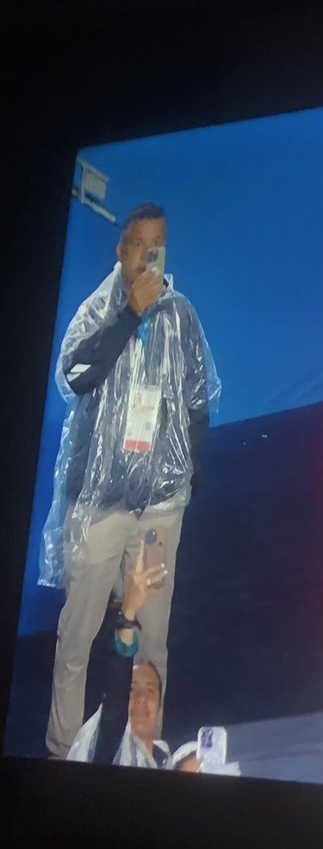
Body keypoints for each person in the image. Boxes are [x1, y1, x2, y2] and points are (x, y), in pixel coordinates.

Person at [44, 203, 221, 759]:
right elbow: (74, 376)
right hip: (99, 506)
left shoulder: (182, 315)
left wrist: (189, 470)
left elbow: (197, 397)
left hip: (160, 506)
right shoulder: (98, 310)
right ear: (120, 250)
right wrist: (127, 314)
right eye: (137, 243)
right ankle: (63, 750)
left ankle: (143, 747)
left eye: (157, 244)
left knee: (152, 633)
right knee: (78, 633)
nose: (146, 253)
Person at [66, 546, 171, 768]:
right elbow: (115, 705)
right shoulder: (107, 750)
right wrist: (129, 613)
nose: (142, 697)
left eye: (150, 690)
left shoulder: (169, 763)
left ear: (160, 711)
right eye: (131, 688)